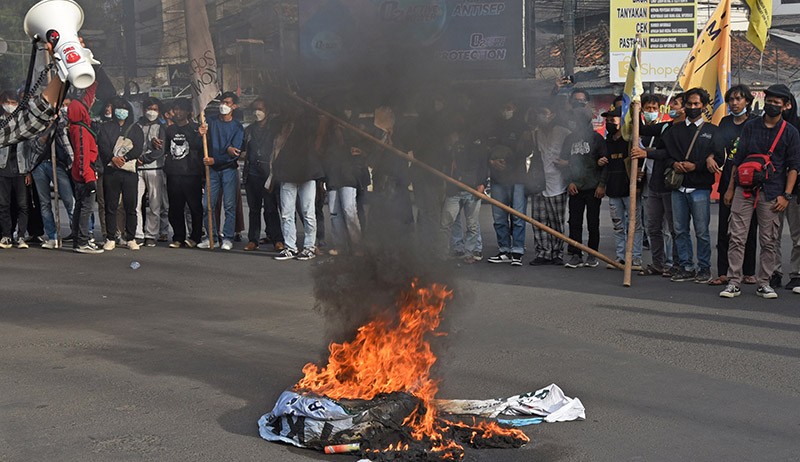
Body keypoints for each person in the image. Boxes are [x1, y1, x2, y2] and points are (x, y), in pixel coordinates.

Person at [720, 84, 800, 298]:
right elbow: (738, 159)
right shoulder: (751, 126)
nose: (772, 105)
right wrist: (730, 188)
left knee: (769, 239)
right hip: (743, 189)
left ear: (786, 106)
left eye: (777, 102)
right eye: (770, 100)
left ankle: (764, 282)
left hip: (773, 192)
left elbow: (794, 167)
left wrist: (786, 195)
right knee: (736, 236)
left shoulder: (790, 132)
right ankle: (733, 281)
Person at [660, 88, 722, 283]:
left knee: (702, 231)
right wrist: (674, 164)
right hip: (678, 187)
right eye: (689, 104)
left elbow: (719, 158)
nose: (693, 107)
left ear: (704, 106)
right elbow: (665, 155)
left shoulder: (713, 131)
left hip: (701, 189)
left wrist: (696, 166)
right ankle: (686, 266)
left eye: (697, 104)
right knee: (679, 230)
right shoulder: (674, 130)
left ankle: (704, 268)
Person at [709, 85, 758, 286]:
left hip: (750, 181)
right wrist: (711, 157)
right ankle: (723, 271)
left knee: (749, 228)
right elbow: (718, 148)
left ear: (747, 101)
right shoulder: (725, 122)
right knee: (724, 228)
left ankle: (748, 271)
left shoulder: (755, 123)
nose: (735, 103)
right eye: (732, 99)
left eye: (739, 99)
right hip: (727, 178)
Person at [633, 93, 684, 276]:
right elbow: (643, 130)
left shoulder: (685, 130)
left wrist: (648, 153)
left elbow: (669, 153)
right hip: (654, 184)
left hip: (671, 185)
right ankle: (658, 264)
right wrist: (635, 110)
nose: (673, 108)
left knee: (674, 228)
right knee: (653, 227)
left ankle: (677, 265)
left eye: (676, 104)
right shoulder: (665, 127)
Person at [271, 105, 324, 261]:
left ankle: (309, 247)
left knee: (309, 213)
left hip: (307, 173)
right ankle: (290, 247)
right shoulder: (282, 126)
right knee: (287, 213)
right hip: (288, 174)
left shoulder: (309, 125)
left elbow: (316, 126)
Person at [598, 105, 644, 269]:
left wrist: (638, 185)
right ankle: (620, 258)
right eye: (608, 120)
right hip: (613, 190)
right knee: (618, 225)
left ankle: (636, 258)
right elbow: (604, 165)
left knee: (635, 225)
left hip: (630, 189)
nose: (610, 122)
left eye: (613, 119)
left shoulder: (631, 140)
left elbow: (640, 166)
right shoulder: (607, 142)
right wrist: (601, 162)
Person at [29, 97, 76, 249]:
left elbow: (64, 124)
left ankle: (79, 233)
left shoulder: (59, 119)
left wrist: (56, 118)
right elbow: (35, 146)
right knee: (44, 203)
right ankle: (52, 236)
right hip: (39, 165)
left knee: (69, 200)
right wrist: (47, 130)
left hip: (59, 165)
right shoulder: (36, 123)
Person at [199, 92, 244, 250]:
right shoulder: (210, 122)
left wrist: (216, 159)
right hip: (211, 170)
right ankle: (211, 236)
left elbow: (235, 154)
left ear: (234, 106)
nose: (223, 105)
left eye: (227, 102)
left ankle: (228, 237)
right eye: (222, 102)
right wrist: (201, 133)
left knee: (229, 206)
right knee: (207, 205)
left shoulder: (237, 127)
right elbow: (201, 139)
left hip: (228, 170)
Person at [528, 101, 571, 266]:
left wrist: (566, 163)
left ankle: (557, 253)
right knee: (538, 220)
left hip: (558, 183)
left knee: (556, 221)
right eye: (539, 112)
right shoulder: (535, 133)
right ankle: (543, 253)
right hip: (540, 182)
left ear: (552, 114)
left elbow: (572, 152)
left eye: (543, 112)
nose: (541, 116)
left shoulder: (563, 132)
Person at [97, 97, 143, 251]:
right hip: (111, 171)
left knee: (131, 205)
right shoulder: (105, 127)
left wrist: (124, 158)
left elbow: (138, 148)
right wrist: (112, 158)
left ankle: (130, 237)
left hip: (129, 171)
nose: (120, 111)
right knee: (111, 205)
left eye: (123, 107)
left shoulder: (135, 128)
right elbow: (102, 145)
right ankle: (111, 237)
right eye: (117, 107)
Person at [563, 108, 605, 268]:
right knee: (574, 222)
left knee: (593, 223)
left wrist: (601, 184)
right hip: (575, 187)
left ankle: (592, 254)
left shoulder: (597, 139)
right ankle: (576, 254)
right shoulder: (569, 139)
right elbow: (564, 162)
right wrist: (569, 182)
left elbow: (605, 163)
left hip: (593, 188)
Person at [487, 100, 527, 266]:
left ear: (515, 108)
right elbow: (486, 149)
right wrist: (492, 162)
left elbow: (525, 150)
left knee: (518, 216)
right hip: (497, 179)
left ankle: (517, 251)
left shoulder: (522, 127)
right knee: (499, 217)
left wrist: (507, 162)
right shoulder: (494, 127)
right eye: (503, 107)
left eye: (509, 108)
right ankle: (504, 249)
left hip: (517, 178)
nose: (505, 111)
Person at [440, 124, 488, 263]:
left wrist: (482, 184)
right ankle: (446, 252)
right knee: (446, 223)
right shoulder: (451, 148)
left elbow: (483, 166)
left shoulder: (478, 147)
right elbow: (446, 163)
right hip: (454, 190)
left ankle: (470, 252)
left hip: (472, 190)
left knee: (472, 225)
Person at [241, 98, 284, 251]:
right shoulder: (249, 130)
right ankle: (253, 240)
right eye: (255, 109)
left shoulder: (274, 130)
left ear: (267, 111)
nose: (257, 112)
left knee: (271, 208)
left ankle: (277, 239)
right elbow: (243, 150)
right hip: (252, 174)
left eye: (260, 109)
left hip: (269, 174)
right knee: (254, 209)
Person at [164, 98, 204, 248]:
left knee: (194, 207)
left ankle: (195, 237)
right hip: (174, 174)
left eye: (181, 109)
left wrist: (199, 135)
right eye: (176, 109)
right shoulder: (169, 130)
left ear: (188, 111)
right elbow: (166, 149)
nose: (178, 112)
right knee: (175, 208)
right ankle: (178, 237)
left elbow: (198, 147)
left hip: (192, 174)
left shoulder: (196, 128)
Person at [68, 82, 103, 254]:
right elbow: (83, 156)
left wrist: (93, 80)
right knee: (85, 208)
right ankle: (82, 241)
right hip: (85, 172)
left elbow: (87, 99)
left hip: (80, 172)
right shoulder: (80, 130)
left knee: (80, 207)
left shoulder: (77, 124)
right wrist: (89, 177)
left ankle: (78, 239)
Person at [0, 91, 33, 249]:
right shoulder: (1, 122)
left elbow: (29, 148)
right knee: (3, 204)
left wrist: (28, 171)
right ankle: (6, 235)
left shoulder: (23, 123)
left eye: (14, 102)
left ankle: (21, 235)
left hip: (20, 168)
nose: (11, 105)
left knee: (23, 205)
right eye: (8, 102)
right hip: (3, 168)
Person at [135, 97, 167, 247]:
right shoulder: (136, 126)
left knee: (155, 204)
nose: (151, 112)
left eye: (155, 109)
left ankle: (151, 234)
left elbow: (160, 151)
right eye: (149, 109)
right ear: (143, 109)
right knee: (135, 203)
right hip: (137, 168)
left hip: (155, 169)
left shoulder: (161, 128)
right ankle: (137, 233)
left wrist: (145, 158)